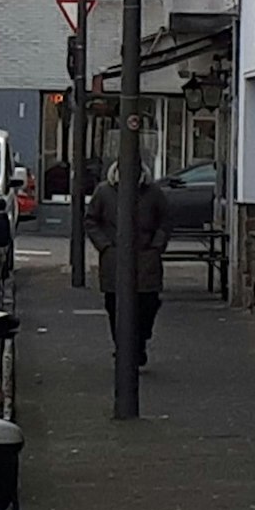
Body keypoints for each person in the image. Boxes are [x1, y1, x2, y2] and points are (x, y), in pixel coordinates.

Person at [84, 153, 170, 366]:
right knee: (115, 305)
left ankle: (140, 341)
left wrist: (156, 245)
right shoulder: (104, 192)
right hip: (115, 258)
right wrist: (105, 246)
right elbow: (91, 220)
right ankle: (123, 348)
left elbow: (165, 221)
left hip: (145, 258)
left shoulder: (154, 193)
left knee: (147, 303)